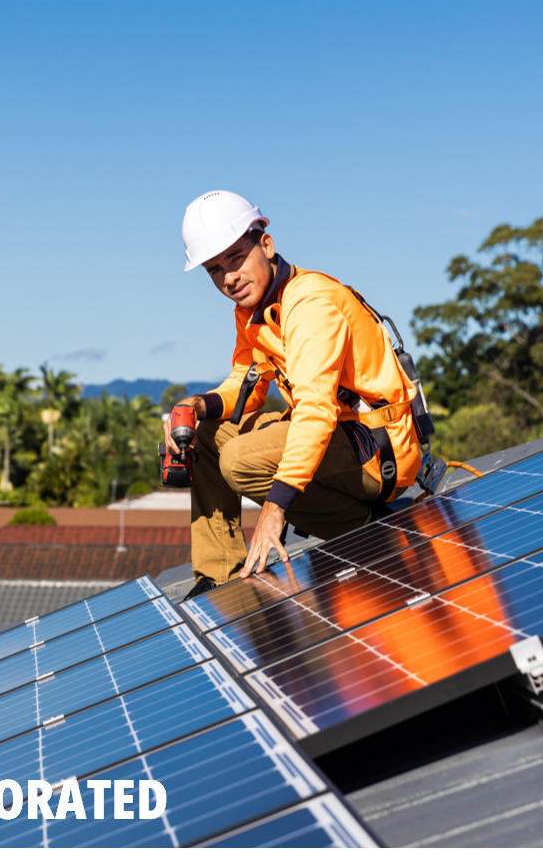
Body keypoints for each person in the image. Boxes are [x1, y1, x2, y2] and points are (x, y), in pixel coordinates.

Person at [168, 190, 426, 601]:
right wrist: (197, 406)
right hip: (338, 435)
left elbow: (317, 413)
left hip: (376, 449)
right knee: (207, 434)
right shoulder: (254, 310)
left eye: (236, 259)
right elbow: (245, 385)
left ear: (266, 245)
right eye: (215, 270)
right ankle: (219, 574)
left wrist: (275, 509)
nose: (228, 278)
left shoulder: (309, 304)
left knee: (240, 460)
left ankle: (364, 524)